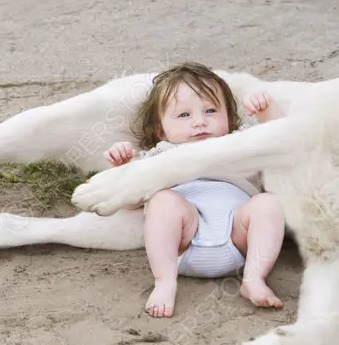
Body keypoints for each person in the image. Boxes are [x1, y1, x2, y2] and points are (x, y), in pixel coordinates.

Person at [104, 62, 286, 318]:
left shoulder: (239, 143)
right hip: (185, 240)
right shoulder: (160, 155)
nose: (200, 122)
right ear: (161, 129)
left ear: (230, 118)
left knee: (268, 203)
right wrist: (122, 168)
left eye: (211, 110)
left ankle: (254, 278)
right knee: (163, 201)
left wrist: (266, 111)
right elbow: (131, 201)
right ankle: (165, 281)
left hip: (239, 236)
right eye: (184, 115)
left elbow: (282, 139)